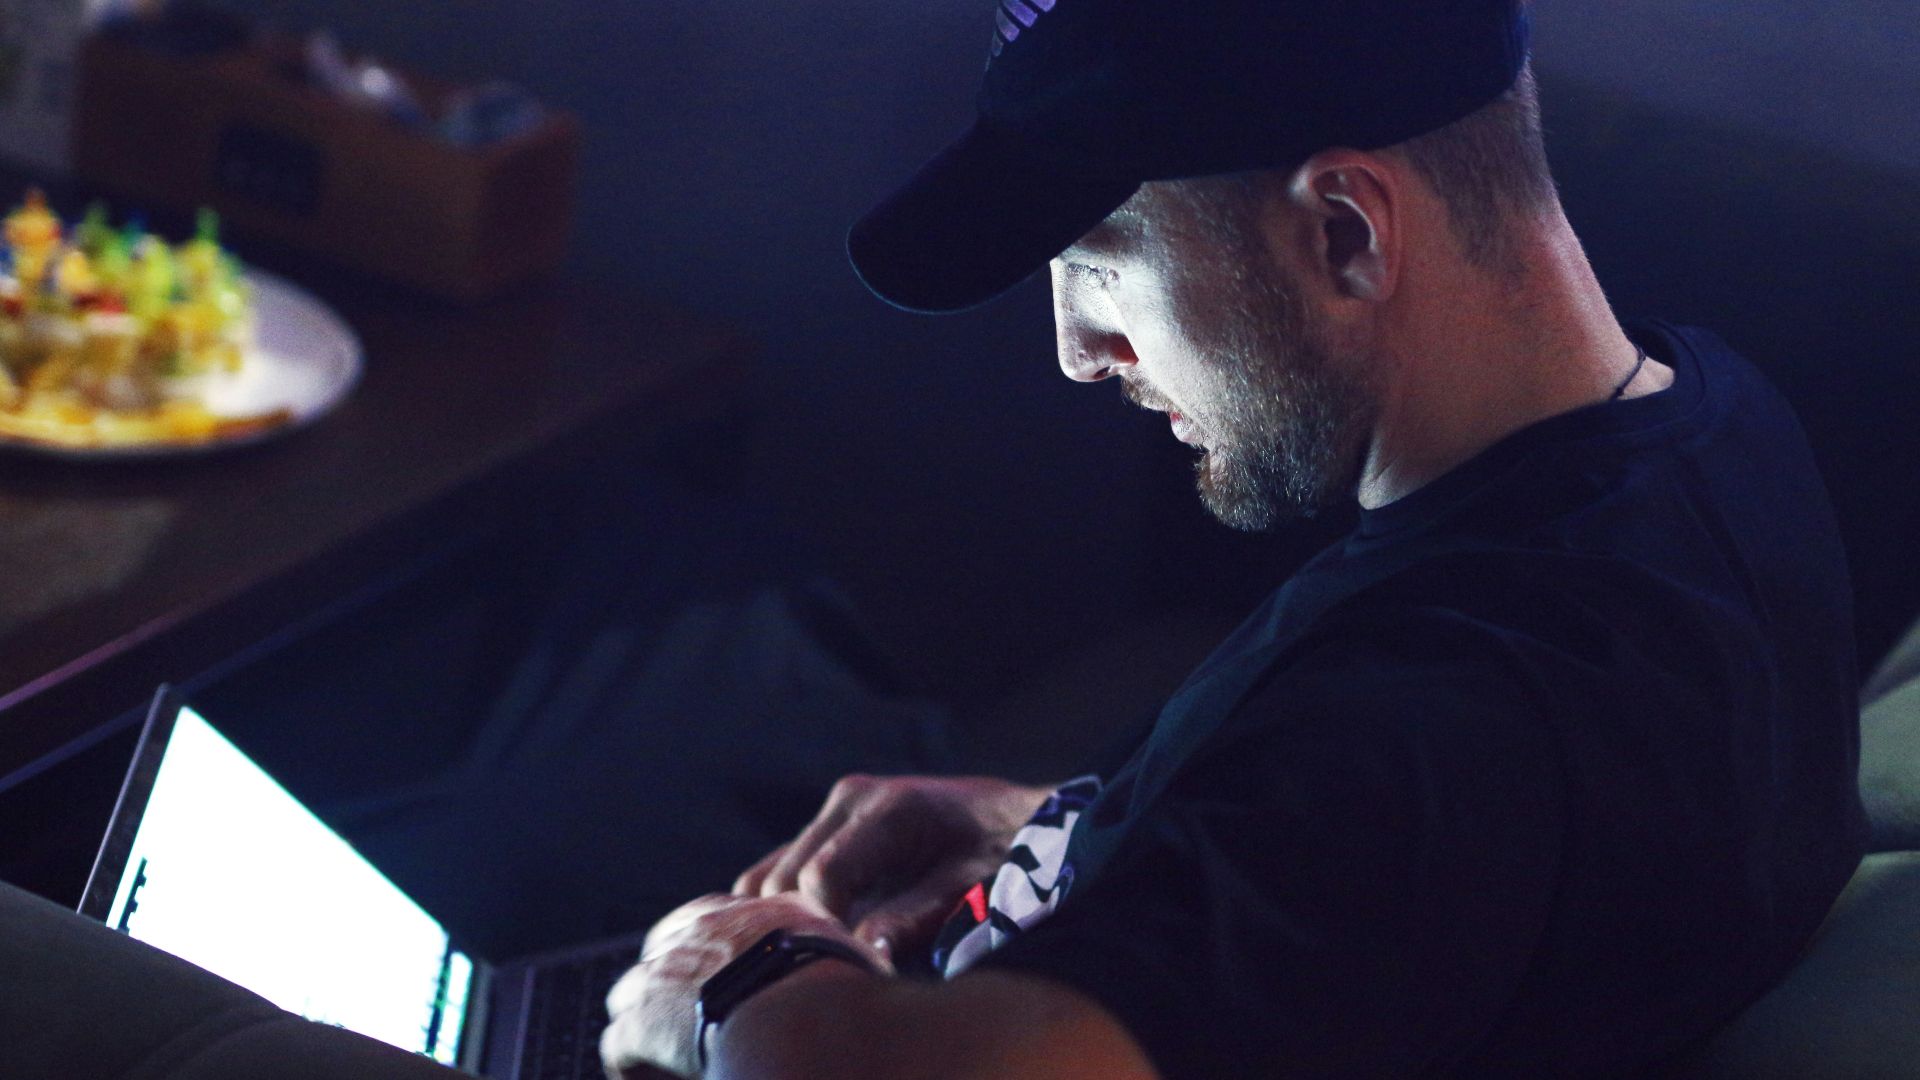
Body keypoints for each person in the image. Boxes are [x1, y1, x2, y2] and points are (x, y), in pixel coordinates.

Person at [600, 1, 1868, 1076]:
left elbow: (1397, 796)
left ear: (1346, 235)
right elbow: (1414, 883)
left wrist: (738, 979)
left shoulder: (1441, 716)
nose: (1077, 352)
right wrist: (1071, 825)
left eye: (1103, 259)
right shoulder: (1712, 428)